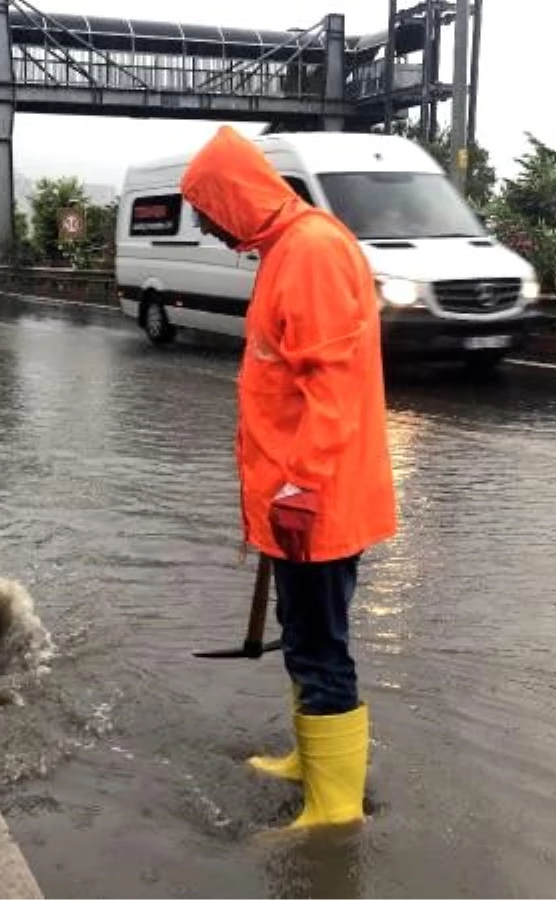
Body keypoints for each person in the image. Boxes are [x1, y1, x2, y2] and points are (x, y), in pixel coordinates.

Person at [180, 127, 397, 830]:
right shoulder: (286, 250)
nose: (211, 230)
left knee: (320, 642)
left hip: (317, 499)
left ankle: (334, 810)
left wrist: (301, 488)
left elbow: (329, 384)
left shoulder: (309, 250)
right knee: (300, 629)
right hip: (293, 496)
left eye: (211, 213)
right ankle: (313, 762)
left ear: (236, 196)